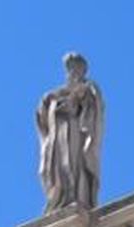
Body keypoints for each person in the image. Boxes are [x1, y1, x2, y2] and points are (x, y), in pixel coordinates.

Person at [37, 53, 104, 214]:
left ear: (81, 70)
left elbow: (92, 110)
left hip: (75, 130)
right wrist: (49, 102)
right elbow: (42, 114)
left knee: (72, 164)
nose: (72, 72)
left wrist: (76, 100)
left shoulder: (89, 88)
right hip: (57, 134)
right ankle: (60, 198)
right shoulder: (55, 94)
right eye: (69, 68)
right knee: (52, 168)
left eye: (75, 67)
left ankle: (75, 196)